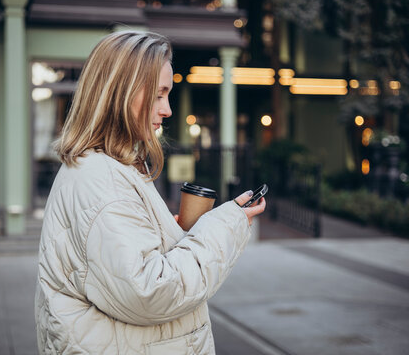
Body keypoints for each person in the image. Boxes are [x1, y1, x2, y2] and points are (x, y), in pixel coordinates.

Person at [34, 30, 266, 355]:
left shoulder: (108, 167)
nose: (167, 109)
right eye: (159, 94)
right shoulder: (103, 179)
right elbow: (149, 291)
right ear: (120, 92)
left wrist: (171, 234)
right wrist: (225, 226)